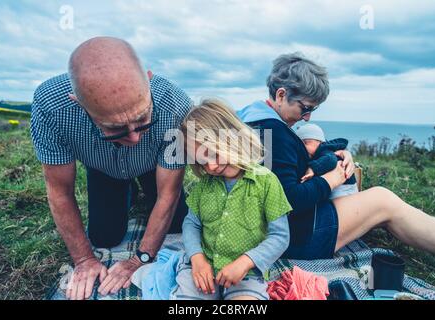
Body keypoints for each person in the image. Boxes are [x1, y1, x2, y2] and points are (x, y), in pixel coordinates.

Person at [30, 37, 192, 300]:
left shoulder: (175, 103)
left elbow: (168, 193)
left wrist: (140, 258)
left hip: (154, 165)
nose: (134, 139)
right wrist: (84, 259)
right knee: (104, 235)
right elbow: (59, 191)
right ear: (79, 104)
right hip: (103, 168)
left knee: (176, 223)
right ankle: (125, 190)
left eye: (142, 120)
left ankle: (141, 189)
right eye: (114, 128)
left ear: (148, 80)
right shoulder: (51, 106)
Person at [237, 52, 435, 260]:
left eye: (313, 109)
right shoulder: (275, 132)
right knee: (384, 200)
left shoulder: (249, 121)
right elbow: (289, 200)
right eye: (305, 108)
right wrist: (332, 179)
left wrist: (334, 156)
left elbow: (276, 177)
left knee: (378, 206)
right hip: (294, 238)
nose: (307, 118)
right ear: (281, 95)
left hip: (259, 231)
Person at [170, 99, 292, 300]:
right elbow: (191, 224)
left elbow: (280, 236)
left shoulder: (267, 182)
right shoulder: (204, 185)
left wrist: (245, 262)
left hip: (247, 273)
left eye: (214, 154)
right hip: (204, 266)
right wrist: (197, 258)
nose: (210, 167)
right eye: (201, 160)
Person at [296, 123, 358, 200]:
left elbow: (330, 160)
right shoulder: (317, 152)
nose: (303, 148)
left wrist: (312, 168)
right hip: (340, 189)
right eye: (300, 145)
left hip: (345, 190)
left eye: (306, 143)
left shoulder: (325, 150)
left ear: (320, 142)